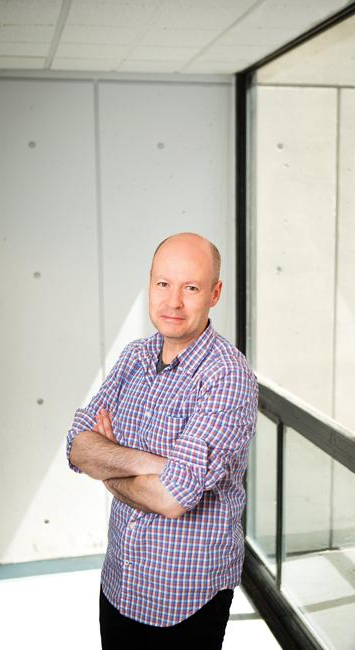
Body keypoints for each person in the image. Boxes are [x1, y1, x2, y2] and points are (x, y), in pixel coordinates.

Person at [67, 232, 258, 649]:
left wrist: (108, 469)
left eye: (191, 287)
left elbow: (173, 498)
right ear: (150, 284)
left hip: (185, 599)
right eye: (163, 284)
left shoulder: (227, 375)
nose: (174, 302)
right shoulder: (135, 357)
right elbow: (77, 446)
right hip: (120, 581)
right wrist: (153, 463)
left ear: (215, 293)